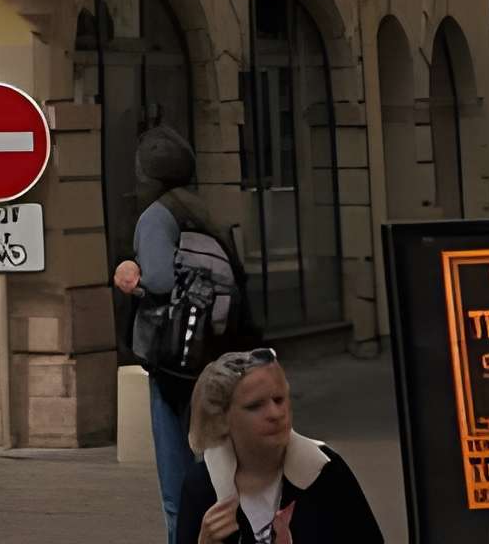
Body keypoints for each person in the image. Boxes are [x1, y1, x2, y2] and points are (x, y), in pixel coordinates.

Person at [115, 127, 233, 531]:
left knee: (175, 476)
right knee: (218, 465)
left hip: (172, 356)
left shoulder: (156, 217)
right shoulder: (204, 210)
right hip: (214, 352)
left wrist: (132, 276)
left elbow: (162, 282)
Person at [170, 351, 384, 544]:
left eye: (279, 399)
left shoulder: (324, 472)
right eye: (255, 406)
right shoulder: (203, 487)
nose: (275, 414)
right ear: (222, 417)